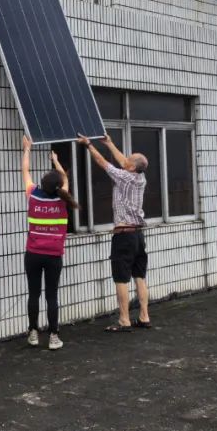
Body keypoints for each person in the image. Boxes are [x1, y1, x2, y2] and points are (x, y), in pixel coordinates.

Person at [76, 134, 152, 331]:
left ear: (132, 167)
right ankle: (144, 317)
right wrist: (109, 143)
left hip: (124, 236)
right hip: (138, 236)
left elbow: (103, 163)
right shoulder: (140, 177)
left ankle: (124, 320)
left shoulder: (125, 177)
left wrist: (89, 145)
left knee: (121, 278)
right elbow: (123, 162)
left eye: (129, 160)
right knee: (139, 276)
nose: (125, 160)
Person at [20, 135, 78, 350]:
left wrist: (27, 149)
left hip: (33, 254)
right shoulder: (64, 199)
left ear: (42, 184)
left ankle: (33, 333)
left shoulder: (33, 196)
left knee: (33, 294)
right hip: (54, 255)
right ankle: (54, 336)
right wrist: (56, 161)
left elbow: (25, 171)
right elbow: (64, 178)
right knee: (52, 295)